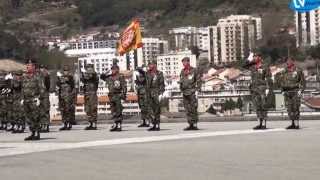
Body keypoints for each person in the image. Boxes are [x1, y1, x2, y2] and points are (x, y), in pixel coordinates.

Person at [244, 53, 273, 130]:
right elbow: (244, 65)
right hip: (254, 89)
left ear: (259, 57)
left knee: (263, 106)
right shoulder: (252, 66)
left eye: (255, 57)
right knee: (257, 107)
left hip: (262, 89)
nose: (254, 58)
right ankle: (259, 123)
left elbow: (268, 78)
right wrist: (249, 58)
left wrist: (268, 88)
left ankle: (264, 124)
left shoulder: (265, 66)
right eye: (253, 57)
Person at [280, 58, 306, 129]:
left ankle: (297, 124)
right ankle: (292, 123)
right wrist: (282, 90)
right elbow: (281, 82)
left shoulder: (298, 70)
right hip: (287, 93)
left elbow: (303, 82)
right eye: (287, 62)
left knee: (296, 108)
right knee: (289, 108)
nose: (288, 63)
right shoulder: (284, 71)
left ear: (292, 62)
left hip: (295, 92)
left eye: (289, 61)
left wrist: (301, 90)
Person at [22, 60, 44, 141]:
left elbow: (42, 88)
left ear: (34, 66)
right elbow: (22, 88)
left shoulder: (38, 76)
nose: (28, 67)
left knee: (36, 117)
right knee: (28, 117)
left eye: (29, 65)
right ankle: (32, 133)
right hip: (26, 100)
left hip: (34, 100)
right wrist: (22, 98)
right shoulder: (24, 76)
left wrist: (39, 98)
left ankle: (37, 133)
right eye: (27, 65)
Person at [100, 63, 127, 132]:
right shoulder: (109, 77)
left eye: (114, 69)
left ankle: (119, 125)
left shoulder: (120, 76)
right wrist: (107, 72)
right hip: (111, 96)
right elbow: (102, 77)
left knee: (118, 110)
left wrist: (123, 95)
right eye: (112, 69)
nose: (113, 71)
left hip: (118, 95)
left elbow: (124, 86)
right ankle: (115, 123)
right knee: (113, 111)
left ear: (117, 70)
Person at [179, 57, 202, 130]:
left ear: (188, 62)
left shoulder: (194, 70)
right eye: (183, 62)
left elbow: (198, 81)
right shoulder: (182, 71)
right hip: (185, 93)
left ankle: (194, 124)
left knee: (193, 108)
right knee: (187, 109)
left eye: (184, 62)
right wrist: (181, 88)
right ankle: (190, 124)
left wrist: (197, 89)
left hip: (191, 92)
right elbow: (181, 81)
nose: (183, 64)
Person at [146, 60, 165, 131]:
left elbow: (162, 84)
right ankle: (153, 124)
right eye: (149, 65)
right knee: (150, 109)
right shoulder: (147, 73)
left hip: (156, 92)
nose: (149, 66)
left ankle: (157, 125)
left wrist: (161, 94)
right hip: (149, 93)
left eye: (150, 64)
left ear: (154, 65)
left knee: (156, 110)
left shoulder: (159, 73)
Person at [57, 65, 75, 131]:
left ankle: (69, 124)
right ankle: (65, 124)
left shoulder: (70, 77)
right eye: (64, 71)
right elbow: (58, 85)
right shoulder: (60, 77)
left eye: (66, 71)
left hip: (68, 96)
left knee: (68, 110)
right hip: (62, 96)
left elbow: (71, 83)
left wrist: (61, 78)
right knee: (63, 110)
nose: (65, 72)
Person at [80, 64, 99, 130]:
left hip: (92, 93)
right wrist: (82, 74)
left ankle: (94, 123)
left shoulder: (94, 74)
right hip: (86, 93)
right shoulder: (86, 75)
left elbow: (91, 77)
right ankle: (90, 123)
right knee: (87, 109)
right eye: (87, 68)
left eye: (89, 68)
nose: (88, 70)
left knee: (93, 108)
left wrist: (85, 73)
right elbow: (82, 80)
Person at [39, 64, 51, 133]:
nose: (42, 69)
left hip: (45, 95)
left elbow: (48, 86)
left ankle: (46, 125)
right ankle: (42, 124)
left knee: (46, 110)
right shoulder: (38, 76)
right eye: (41, 68)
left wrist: (46, 76)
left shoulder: (47, 76)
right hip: (40, 96)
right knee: (41, 111)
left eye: (43, 68)